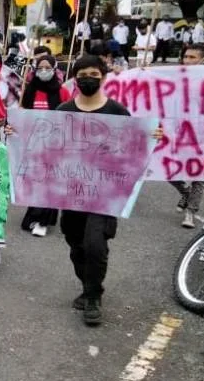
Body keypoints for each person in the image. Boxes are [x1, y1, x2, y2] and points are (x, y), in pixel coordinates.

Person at [55, 55, 160, 326]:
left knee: (95, 245)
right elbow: (47, 144)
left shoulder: (117, 112)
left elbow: (132, 146)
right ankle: (87, 285)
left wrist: (150, 137)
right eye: (82, 75)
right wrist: (17, 132)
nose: (88, 79)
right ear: (74, 79)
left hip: (105, 193)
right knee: (76, 243)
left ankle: (93, 296)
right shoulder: (63, 110)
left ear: (103, 77)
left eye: (94, 74)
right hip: (72, 191)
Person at [18, 54, 70, 237]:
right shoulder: (29, 91)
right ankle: (35, 214)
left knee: (50, 182)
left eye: (48, 67)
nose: (44, 71)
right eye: (40, 68)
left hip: (55, 145)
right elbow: (22, 116)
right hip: (33, 144)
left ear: (55, 70)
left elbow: (69, 117)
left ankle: (43, 220)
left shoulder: (62, 92)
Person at [167, 45, 204, 229]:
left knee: (199, 175)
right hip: (178, 132)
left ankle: (191, 212)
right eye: (185, 56)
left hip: (203, 134)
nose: (187, 60)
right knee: (168, 170)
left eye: (193, 57)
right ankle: (186, 193)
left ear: (203, 60)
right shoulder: (176, 78)